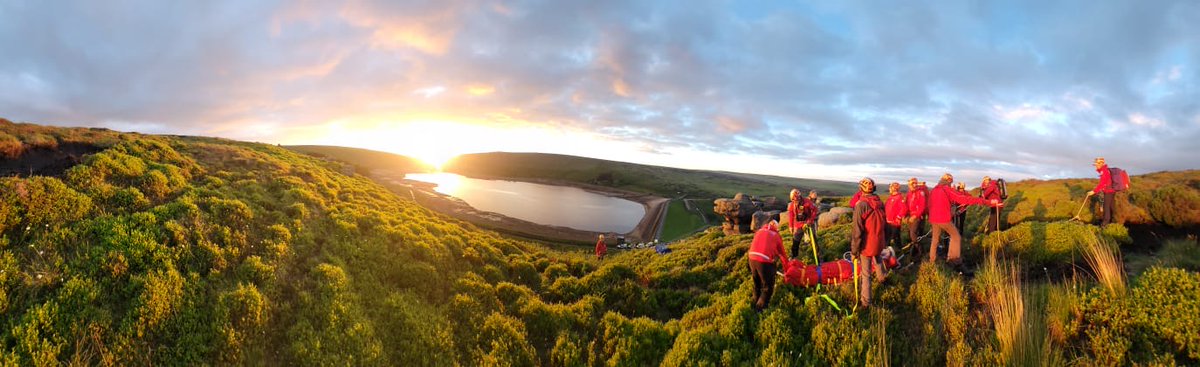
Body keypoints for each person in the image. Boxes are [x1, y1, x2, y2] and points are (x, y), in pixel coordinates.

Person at [928, 173, 1002, 265]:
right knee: (956, 237)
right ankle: (954, 261)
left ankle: (932, 261)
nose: (951, 183)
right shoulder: (947, 189)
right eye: (951, 181)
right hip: (944, 219)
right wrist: (989, 202)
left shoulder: (934, 190)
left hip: (933, 219)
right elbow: (965, 199)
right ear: (948, 180)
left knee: (935, 240)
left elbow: (930, 205)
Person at [851, 178, 887, 308]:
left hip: (866, 244)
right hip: (879, 240)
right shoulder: (879, 201)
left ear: (861, 189)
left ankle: (866, 302)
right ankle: (883, 278)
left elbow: (857, 231)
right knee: (878, 258)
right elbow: (885, 223)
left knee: (866, 274)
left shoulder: (861, 205)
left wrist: (854, 251)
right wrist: (885, 240)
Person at [747, 213, 788, 312]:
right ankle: (759, 310)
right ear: (776, 227)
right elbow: (782, 253)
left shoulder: (759, 231)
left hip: (751, 258)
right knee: (767, 287)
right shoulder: (776, 235)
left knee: (757, 284)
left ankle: (753, 303)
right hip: (764, 262)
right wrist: (786, 266)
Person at [786, 188, 819, 260]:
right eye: (794, 200)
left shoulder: (807, 202)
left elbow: (815, 210)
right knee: (795, 242)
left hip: (808, 223)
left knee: (814, 241)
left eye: (797, 200)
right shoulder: (792, 205)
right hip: (798, 225)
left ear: (800, 197)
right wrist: (791, 226)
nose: (796, 202)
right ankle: (793, 257)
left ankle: (818, 257)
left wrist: (810, 220)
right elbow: (791, 215)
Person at [1087, 157, 1116, 227]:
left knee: (1106, 208)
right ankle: (1112, 223)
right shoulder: (1105, 170)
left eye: (1096, 164)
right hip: (1112, 190)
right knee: (1111, 207)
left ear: (1101, 164)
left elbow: (1102, 183)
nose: (1095, 166)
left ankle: (1104, 225)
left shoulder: (1104, 171)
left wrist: (1094, 191)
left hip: (1109, 191)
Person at [905, 178, 928, 252]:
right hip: (910, 215)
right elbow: (907, 205)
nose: (912, 185)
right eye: (910, 184)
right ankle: (913, 247)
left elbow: (922, 206)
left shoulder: (920, 193)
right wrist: (905, 215)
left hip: (916, 216)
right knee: (911, 232)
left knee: (913, 233)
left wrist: (915, 216)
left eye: (913, 184)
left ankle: (918, 249)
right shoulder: (909, 193)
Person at [884, 182, 908, 250]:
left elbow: (904, 209)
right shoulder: (891, 197)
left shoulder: (899, 198)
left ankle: (899, 249)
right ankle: (886, 250)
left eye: (890, 188)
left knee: (895, 237)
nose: (889, 189)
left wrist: (898, 217)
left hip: (895, 222)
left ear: (894, 189)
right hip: (888, 221)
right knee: (887, 237)